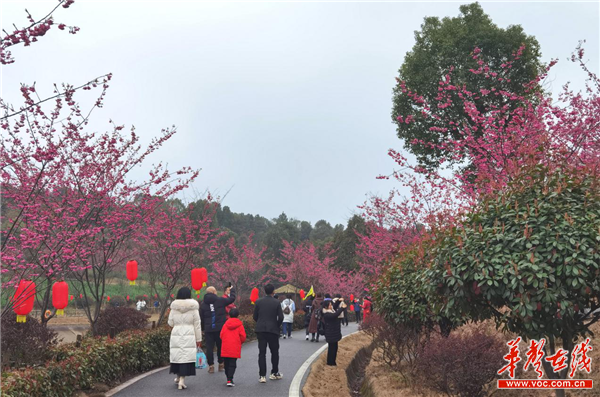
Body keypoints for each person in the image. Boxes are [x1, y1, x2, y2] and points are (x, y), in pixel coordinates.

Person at [168, 287, 202, 390]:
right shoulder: (193, 308)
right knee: (186, 357)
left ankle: (178, 377)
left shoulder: (174, 308)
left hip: (176, 333)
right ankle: (181, 380)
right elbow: (197, 325)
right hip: (189, 333)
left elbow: (170, 323)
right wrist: (198, 339)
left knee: (178, 355)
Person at [200, 285, 236, 374]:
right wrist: (232, 291)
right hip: (220, 328)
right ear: (214, 292)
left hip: (209, 329)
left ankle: (211, 366)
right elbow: (231, 299)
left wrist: (202, 329)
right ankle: (221, 363)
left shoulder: (203, 304)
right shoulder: (220, 300)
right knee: (220, 346)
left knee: (209, 348)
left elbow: (201, 318)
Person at [253, 283, 284, 383]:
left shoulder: (258, 301)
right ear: (273, 291)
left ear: (264, 291)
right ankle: (274, 373)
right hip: (272, 330)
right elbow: (281, 317)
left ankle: (262, 376)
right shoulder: (276, 302)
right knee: (274, 352)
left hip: (261, 329)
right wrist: (276, 324)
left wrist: (260, 322)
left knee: (262, 353)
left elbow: (254, 316)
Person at [220, 308, 246, 387]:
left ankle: (228, 377)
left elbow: (221, 335)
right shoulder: (239, 325)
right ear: (238, 315)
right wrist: (239, 342)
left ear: (229, 315)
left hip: (225, 346)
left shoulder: (225, 324)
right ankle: (230, 379)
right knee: (232, 364)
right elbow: (243, 336)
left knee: (226, 364)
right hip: (234, 346)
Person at [322, 298, 347, 366]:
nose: (331, 306)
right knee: (332, 349)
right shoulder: (326, 314)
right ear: (326, 306)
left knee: (334, 348)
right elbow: (335, 315)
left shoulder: (331, 310)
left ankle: (333, 362)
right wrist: (342, 308)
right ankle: (330, 362)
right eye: (330, 305)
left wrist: (339, 301)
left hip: (333, 333)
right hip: (331, 333)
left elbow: (335, 307)